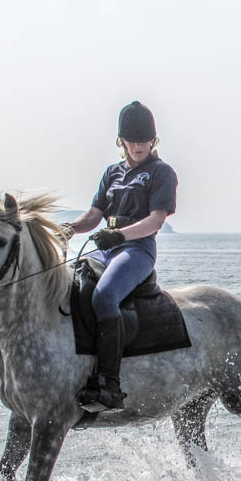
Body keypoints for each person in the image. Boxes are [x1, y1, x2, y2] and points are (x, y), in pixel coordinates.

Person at [63, 101, 178, 411]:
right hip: (106, 246)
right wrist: (68, 228)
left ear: (154, 140)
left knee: (103, 296)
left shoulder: (161, 172)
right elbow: (93, 215)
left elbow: (156, 219)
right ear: (121, 140)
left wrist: (120, 235)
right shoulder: (112, 173)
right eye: (131, 139)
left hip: (137, 249)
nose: (137, 146)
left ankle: (109, 385)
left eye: (144, 140)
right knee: (69, 289)